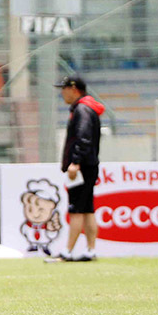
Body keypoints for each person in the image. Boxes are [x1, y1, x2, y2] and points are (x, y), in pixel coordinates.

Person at [55, 75, 105, 262]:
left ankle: (67, 252)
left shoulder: (82, 110)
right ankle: (90, 250)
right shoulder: (88, 108)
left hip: (82, 167)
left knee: (76, 209)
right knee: (88, 209)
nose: (62, 93)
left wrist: (75, 162)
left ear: (74, 89)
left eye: (64, 88)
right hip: (90, 164)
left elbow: (83, 138)